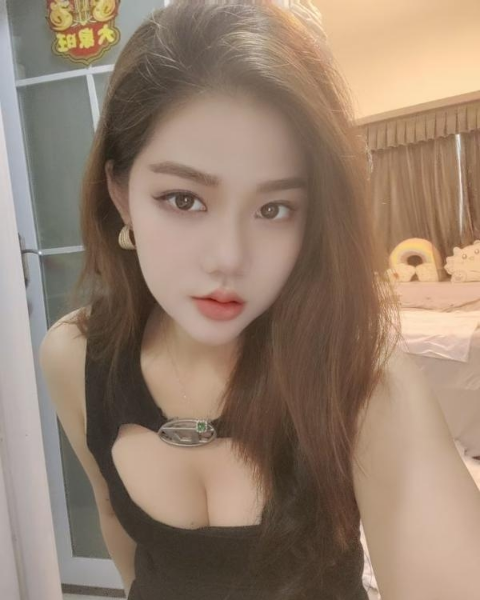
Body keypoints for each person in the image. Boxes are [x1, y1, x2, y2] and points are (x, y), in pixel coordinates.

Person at [39, 1, 480, 599]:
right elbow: (117, 525)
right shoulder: (75, 357)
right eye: (183, 199)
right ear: (121, 194)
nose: (229, 258)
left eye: (274, 209)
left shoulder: (361, 382)